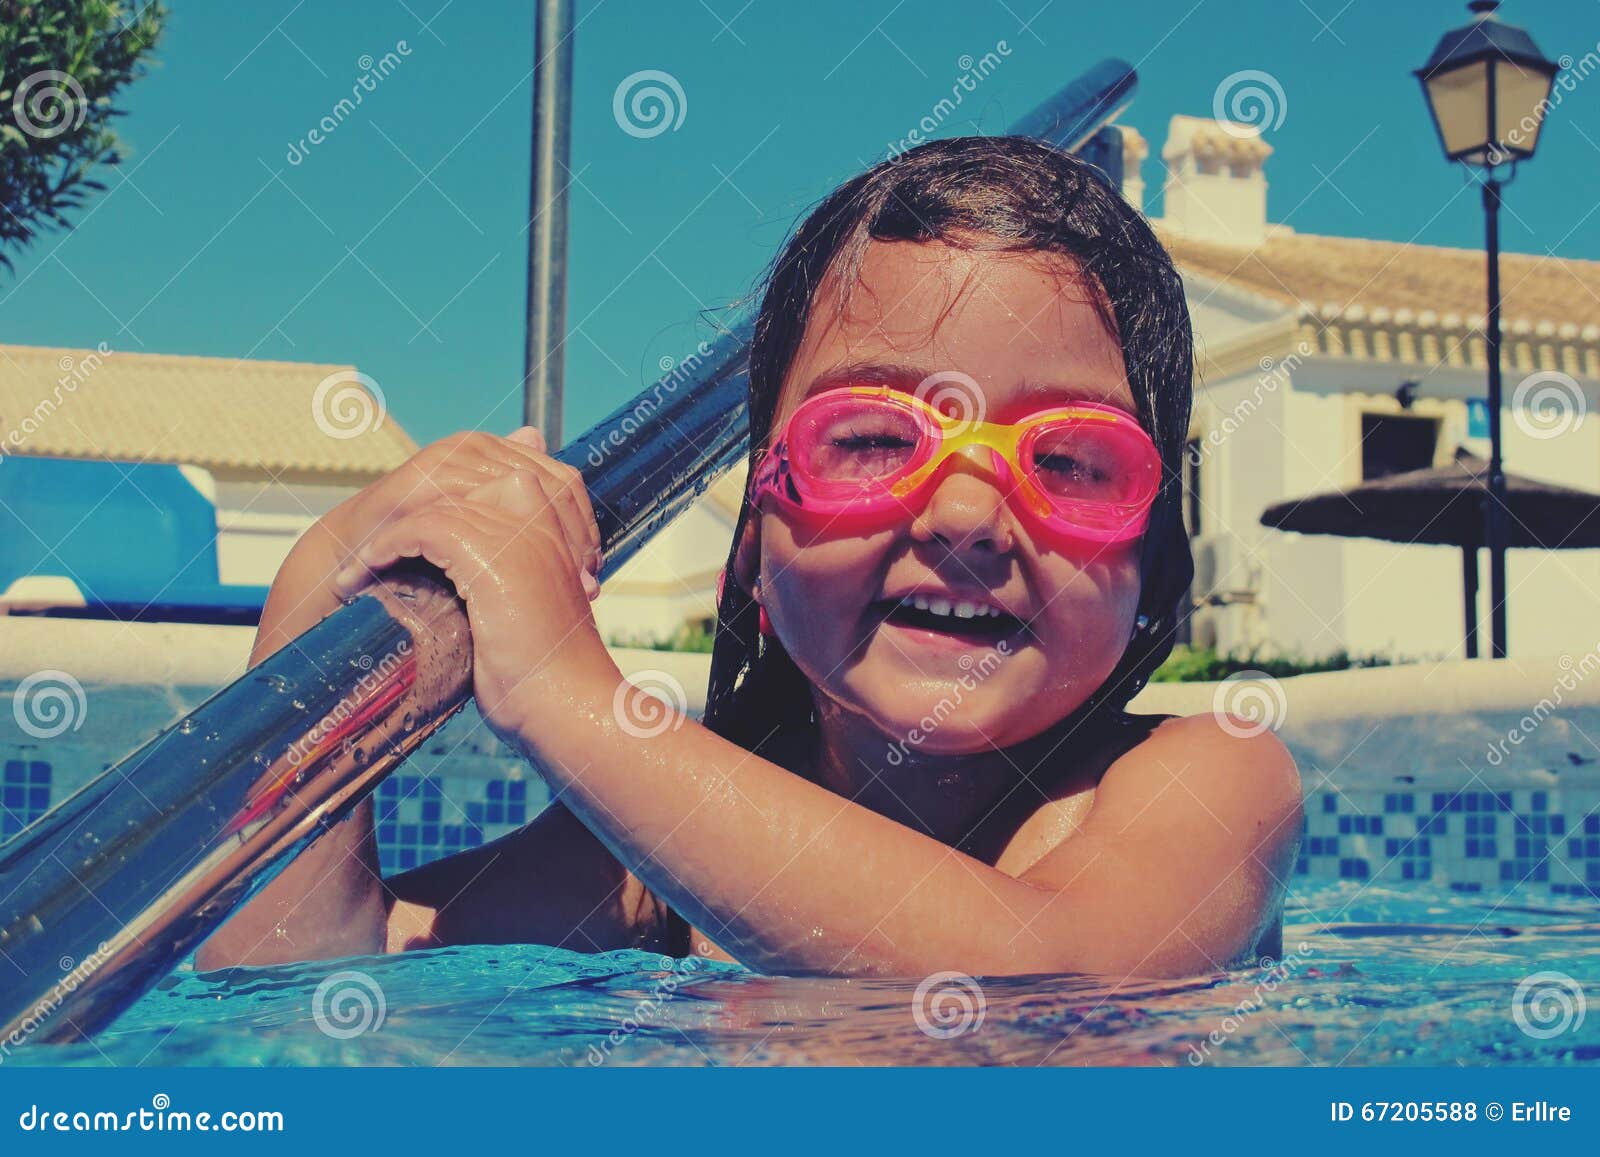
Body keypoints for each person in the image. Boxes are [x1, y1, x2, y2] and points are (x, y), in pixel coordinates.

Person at [196, 137, 1301, 980]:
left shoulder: (1204, 783)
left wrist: (564, 694)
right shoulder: (655, 871)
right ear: (754, 549)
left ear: (1153, 562)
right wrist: (323, 575)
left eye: (1070, 460)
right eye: (869, 439)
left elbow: (1058, 985)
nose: (968, 513)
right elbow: (301, 987)